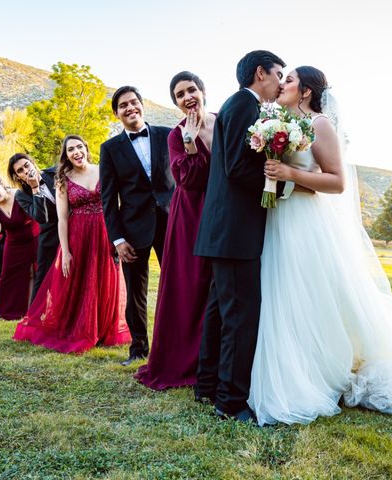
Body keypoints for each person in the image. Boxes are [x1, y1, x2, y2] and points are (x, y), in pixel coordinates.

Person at [248, 66, 392, 426]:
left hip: (305, 223)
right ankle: (296, 367)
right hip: (277, 219)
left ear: (307, 92)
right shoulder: (275, 121)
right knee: (281, 295)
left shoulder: (320, 125)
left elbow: (336, 182)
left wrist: (291, 175)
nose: (281, 83)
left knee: (309, 295)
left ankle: (324, 370)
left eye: (290, 80)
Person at [193, 50, 286, 422]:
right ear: (260, 73)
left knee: (220, 312)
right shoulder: (245, 107)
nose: (281, 81)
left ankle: (206, 385)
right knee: (240, 317)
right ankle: (230, 403)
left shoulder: (237, 106)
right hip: (234, 231)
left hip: (224, 230)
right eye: (278, 73)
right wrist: (276, 186)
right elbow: (236, 168)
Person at [13, 135, 131, 353]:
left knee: (105, 276)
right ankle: (79, 327)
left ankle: (104, 329)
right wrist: (65, 251)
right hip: (78, 234)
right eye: (70, 150)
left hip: (104, 231)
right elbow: (63, 217)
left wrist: (119, 236)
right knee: (80, 280)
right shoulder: (62, 178)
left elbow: (116, 202)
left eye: (79, 147)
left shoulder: (103, 169)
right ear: (65, 155)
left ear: (86, 148)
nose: (76, 152)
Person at [135, 72, 213, 390]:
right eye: (180, 95)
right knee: (191, 283)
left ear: (203, 90)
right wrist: (190, 143)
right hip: (191, 214)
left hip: (225, 208)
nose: (187, 97)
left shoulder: (224, 121)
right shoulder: (175, 135)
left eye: (191, 89)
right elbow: (188, 180)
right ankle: (186, 359)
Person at [100, 86, 175, 366]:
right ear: (117, 113)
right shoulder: (109, 149)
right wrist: (117, 239)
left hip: (171, 222)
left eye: (134, 102)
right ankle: (139, 349)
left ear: (142, 105)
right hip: (133, 230)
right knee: (135, 292)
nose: (130, 108)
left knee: (178, 285)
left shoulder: (168, 135)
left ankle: (176, 344)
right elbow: (108, 199)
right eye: (123, 105)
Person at [0, 174, 38, 320]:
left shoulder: (19, 194)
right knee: (7, 275)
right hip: (13, 243)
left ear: (2, 184)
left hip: (34, 238)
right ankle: (8, 310)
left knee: (34, 272)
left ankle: (31, 308)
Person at [8, 153, 59, 300]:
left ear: (33, 163)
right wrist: (35, 188)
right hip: (50, 234)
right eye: (20, 171)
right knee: (43, 275)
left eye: (26, 165)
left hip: (74, 227)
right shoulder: (21, 195)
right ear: (17, 177)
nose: (25, 171)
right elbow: (41, 218)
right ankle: (34, 316)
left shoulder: (54, 173)